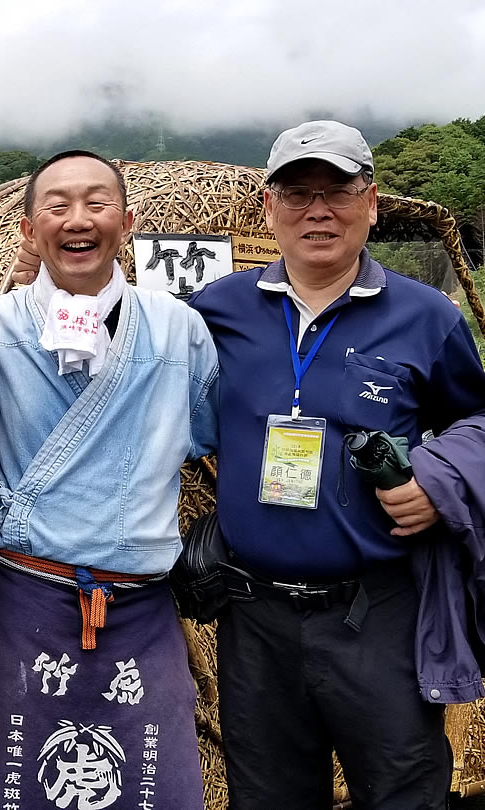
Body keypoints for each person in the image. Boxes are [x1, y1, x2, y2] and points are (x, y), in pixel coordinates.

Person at [189, 120, 485, 809]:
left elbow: (477, 417)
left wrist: (436, 482)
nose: (317, 211)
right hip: (252, 615)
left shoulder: (424, 315)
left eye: (338, 192)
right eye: (296, 194)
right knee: (268, 796)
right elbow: (117, 347)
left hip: (377, 611)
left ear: (372, 203)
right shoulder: (217, 311)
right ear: (268, 207)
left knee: (404, 791)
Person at [0, 150, 217, 810]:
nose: (78, 220)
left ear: (127, 222)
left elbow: (214, 433)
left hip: (139, 608)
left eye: (97, 204)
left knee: (156, 788)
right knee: (11, 787)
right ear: (27, 228)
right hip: (24, 600)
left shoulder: (178, 329)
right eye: (57, 204)